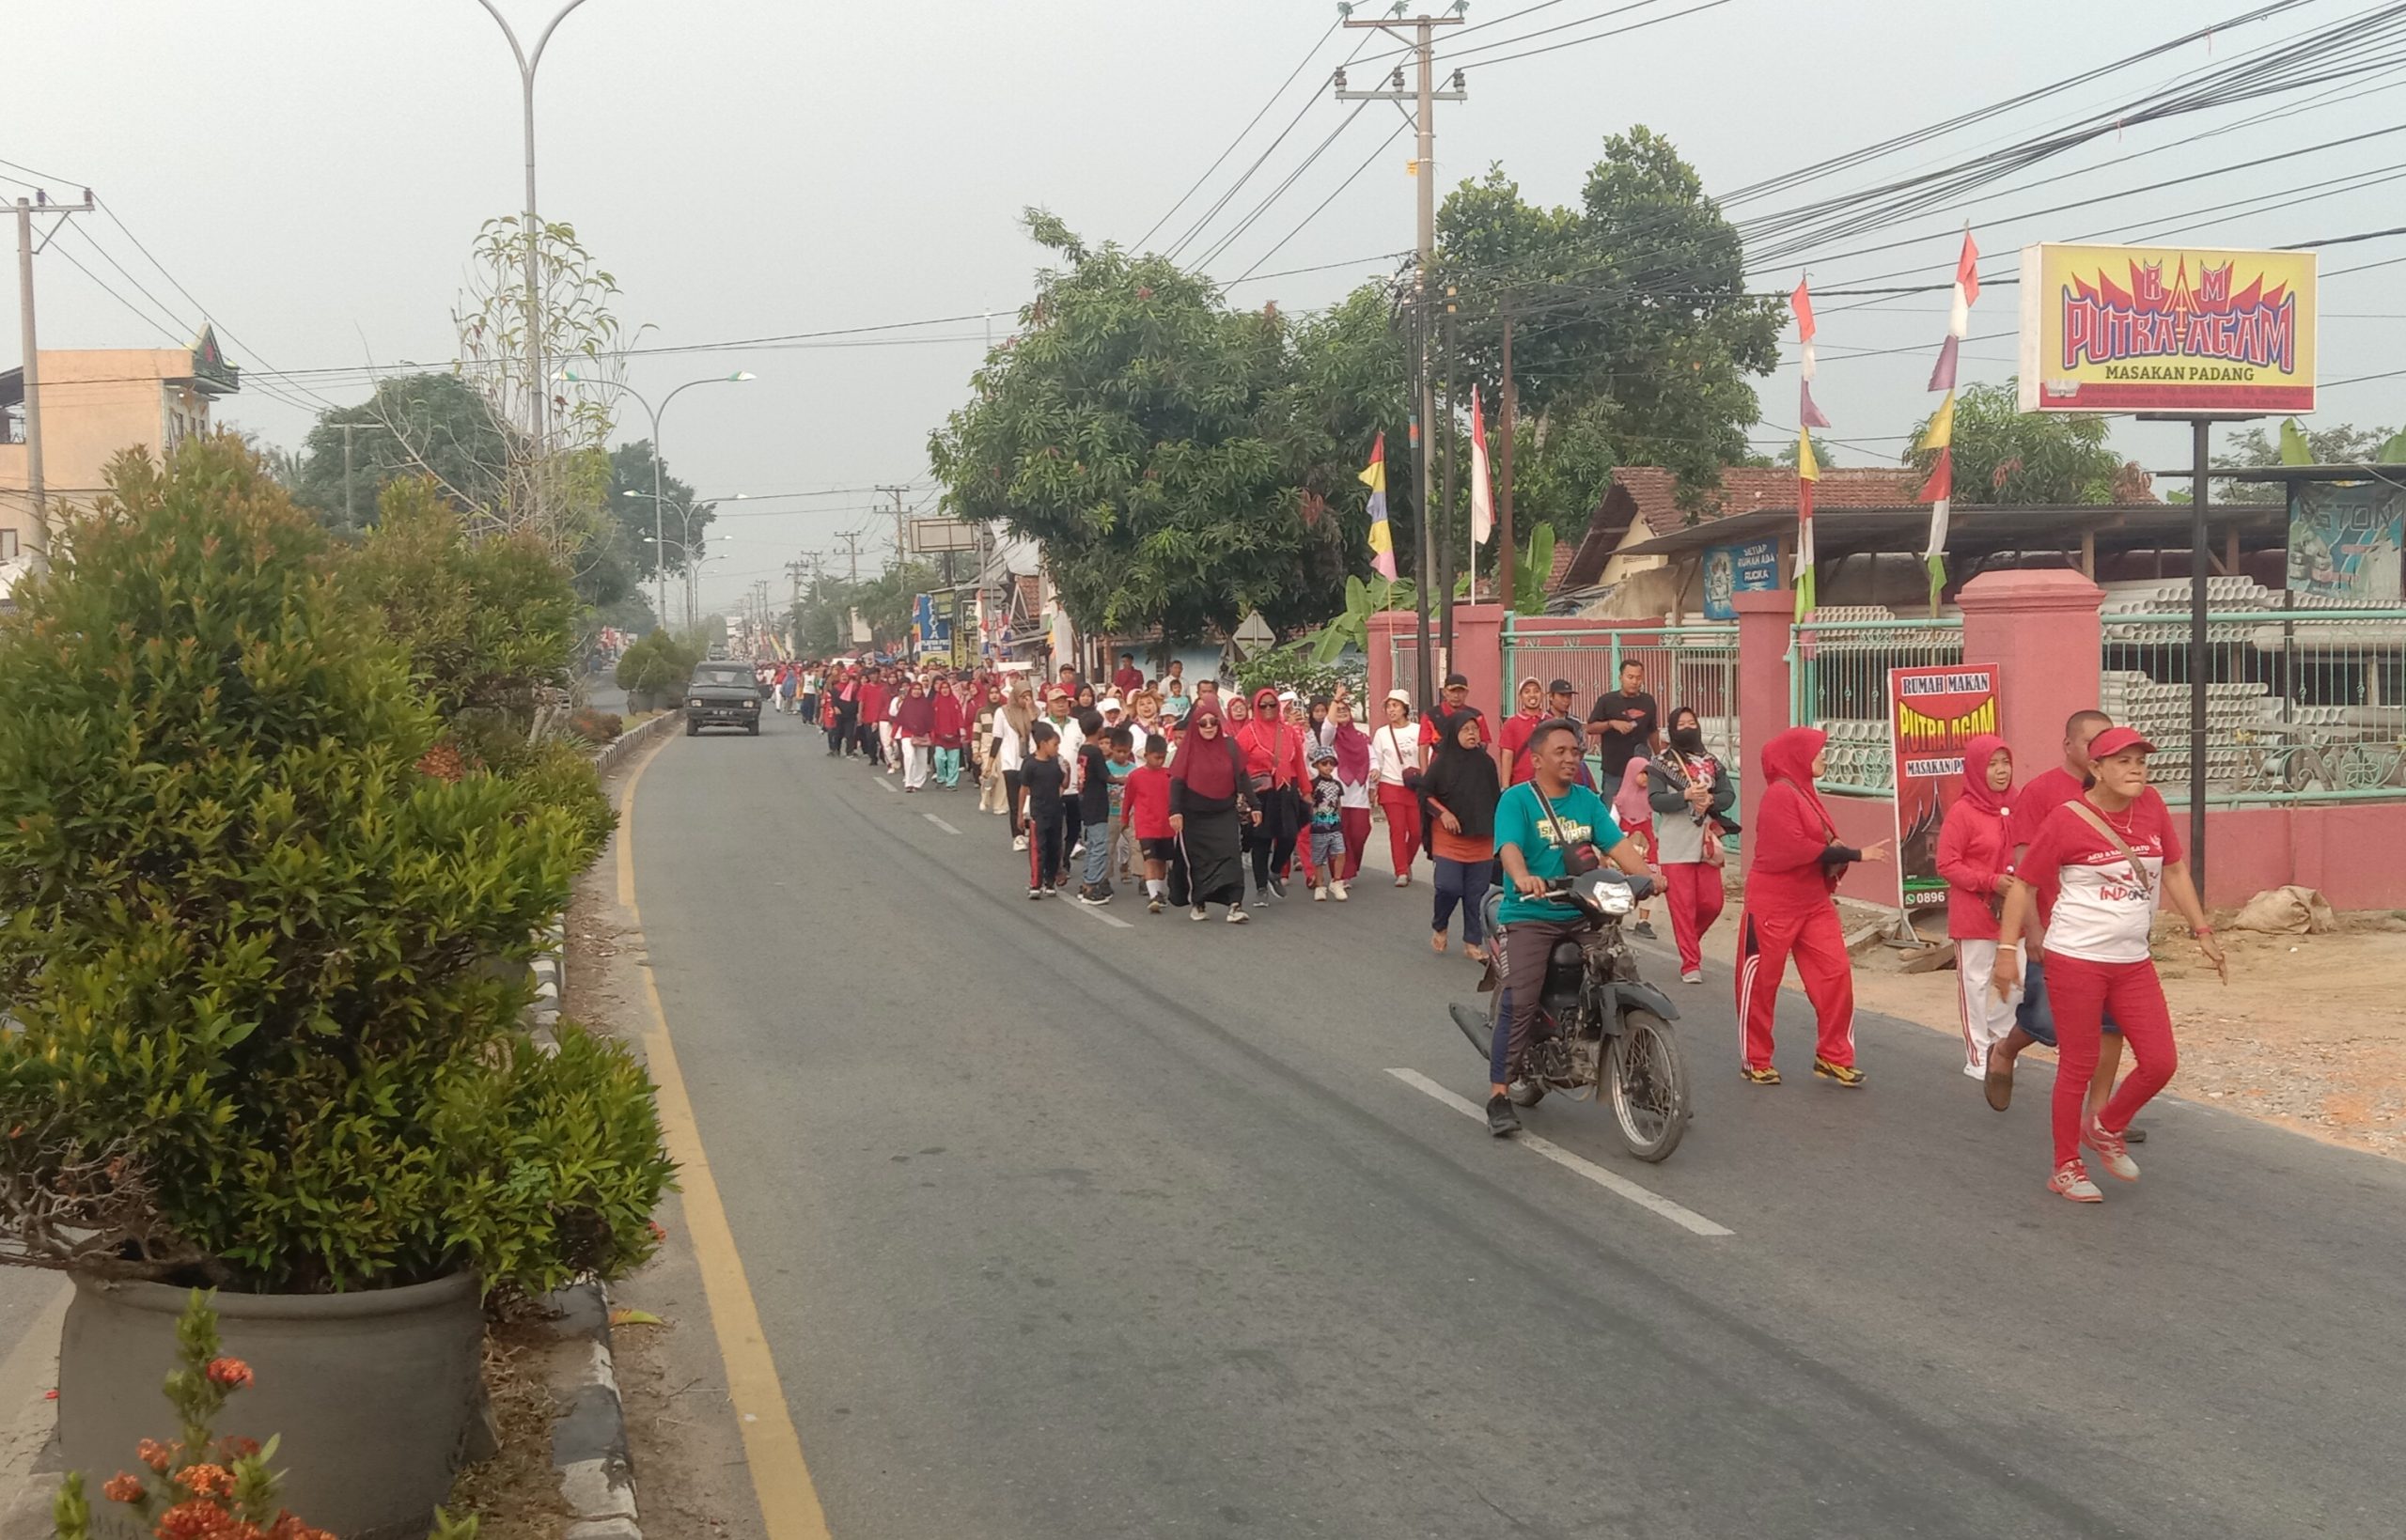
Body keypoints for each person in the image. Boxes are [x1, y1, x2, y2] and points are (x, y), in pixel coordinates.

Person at [1994, 727, 2224, 1203]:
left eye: (2141, 760)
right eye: (2123, 761)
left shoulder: (2152, 805)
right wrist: (2005, 953)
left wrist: (2202, 930)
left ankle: (2105, 1126)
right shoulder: (2066, 819)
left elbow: (2174, 870)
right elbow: (2025, 886)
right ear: (2096, 769)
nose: (2136, 769)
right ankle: (2066, 1167)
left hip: (2133, 961)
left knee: (2160, 1061)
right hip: (2076, 959)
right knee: (2078, 1065)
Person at [1486, 717, 1656, 1135]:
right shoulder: (1516, 800)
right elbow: (1509, 847)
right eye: (1560, 752)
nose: (1570, 758)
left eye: (1576, 752)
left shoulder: (1587, 800)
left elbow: (1617, 845)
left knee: (1625, 977)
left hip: (1583, 911)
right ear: (1536, 759)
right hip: (1530, 913)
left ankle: (1651, 1083)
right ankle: (1499, 1094)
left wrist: (1649, 876)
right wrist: (1523, 877)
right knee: (1520, 1000)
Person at [1983, 709, 2141, 1135]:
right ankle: (2006, 1049)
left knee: (2111, 1023)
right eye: (2091, 742)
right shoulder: (2042, 792)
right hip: (2058, 929)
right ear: (2069, 746)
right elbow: (2023, 868)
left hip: (2111, 934)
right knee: (2047, 1019)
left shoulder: (2125, 791)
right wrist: (2033, 928)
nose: (2101, 749)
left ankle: (2100, 1116)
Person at [1735, 726, 1886, 1086]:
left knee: (1835, 974)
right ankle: (1756, 1059)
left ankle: (1834, 1055)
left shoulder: (1805, 792)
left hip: (1813, 901)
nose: (1824, 756)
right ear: (1797, 756)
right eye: (1818, 751)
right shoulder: (1779, 795)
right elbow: (1794, 848)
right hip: (1773, 904)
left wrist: (1839, 848)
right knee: (1762, 984)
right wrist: (1856, 854)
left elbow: (1820, 841)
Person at [1938, 733, 2021, 1080]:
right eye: (1992, 764)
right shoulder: (1963, 812)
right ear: (1975, 769)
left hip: (2014, 912)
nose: (2001, 771)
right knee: (1976, 984)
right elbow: (1946, 864)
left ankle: (1999, 1040)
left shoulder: (2019, 803)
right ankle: (1977, 1054)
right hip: (1974, 911)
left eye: (2006, 762)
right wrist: (1989, 881)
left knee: (2020, 982)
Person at [1646, 706, 1735, 985]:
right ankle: (1690, 963)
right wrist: (1685, 795)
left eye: (1691, 723)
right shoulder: (1660, 763)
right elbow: (1656, 800)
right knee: (1683, 907)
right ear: (1672, 729)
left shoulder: (1712, 762)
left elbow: (1728, 794)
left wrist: (1711, 800)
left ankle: (1688, 942)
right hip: (1676, 844)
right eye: (1681, 725)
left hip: (1707, 843)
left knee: (1712, 903)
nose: (1687, 728)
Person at [1421, 711, 1500, 965]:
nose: (1471, 734)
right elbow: (1424, 793)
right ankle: (1440, 924)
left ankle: (1472, 943)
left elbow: (1495, 799)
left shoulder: (1487, 763)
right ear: (1454, 733)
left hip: (1481, 839)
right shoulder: (1442, 762)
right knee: (1449, 887)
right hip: (1449, 837)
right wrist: (1443, 813)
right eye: (1465, 729)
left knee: (1476, 894)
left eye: (1474, 729)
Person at [1168, 705, 1256, 923]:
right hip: (1194, 816)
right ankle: (1199, 902)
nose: (1209, 727)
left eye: (1213, 722)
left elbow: (1243, 777)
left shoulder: (1230, 747)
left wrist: (1255, 805)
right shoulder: (1187, 749)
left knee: (1231, 856)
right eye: (1203, 723)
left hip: (1224, 812)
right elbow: (1177, 782)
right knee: (1200, 862)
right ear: (1195, 726)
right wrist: (1175, 811)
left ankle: (1235, 905)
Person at [1237, 688, 1306, 904]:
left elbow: (1299, 763)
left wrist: (1307, 791)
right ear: (1256, 708)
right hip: (1261, 793)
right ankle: (1261, 889)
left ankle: (1275, 871)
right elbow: (1237, 765)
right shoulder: (1248, 733)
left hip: (1287, 789)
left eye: (1272, 704)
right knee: (1262, 840)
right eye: (1263, 705)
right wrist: (1239, 792)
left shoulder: (1288, 732)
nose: (1268, 708)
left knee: (1290, 835)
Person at [1371, 689, 1425, 885]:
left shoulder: (1418, 730)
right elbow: (1376, 760)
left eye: (1395, 705)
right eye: (1388, 706)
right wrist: (1373, 784)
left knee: (1417, 832)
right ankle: (1401, 870)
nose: (1391, 710)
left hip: (1414, 786)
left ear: (1405, 708)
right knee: (1397, 829)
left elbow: (1426, 756)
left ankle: (1406, 861)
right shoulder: (1382, 733)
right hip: (1390, 785)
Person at [1586, 657, 1660, 788]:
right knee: (1612, 801)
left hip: (1640, 770)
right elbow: (1590, 728)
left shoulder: (1648, 701)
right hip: (1614, 771)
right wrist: (1611, 724)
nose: (1634, 682)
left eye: (1638, 678)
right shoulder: (1607, 701)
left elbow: (1652, 731)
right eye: (1630, 677)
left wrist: (1659, 757)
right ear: (1621, 678)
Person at [1124, 734, 1175, 913]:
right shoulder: (1135, 776)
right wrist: (1124, 819)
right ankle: (1153, 894)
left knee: (1161, 861)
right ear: (1146, 755)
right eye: (1156, 757)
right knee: (1150, 859)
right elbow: (1128, 799)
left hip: (1166, 826)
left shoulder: (1169, 775)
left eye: (1163, 757)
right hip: (1146, 825)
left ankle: (1158, 892)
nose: (1160, 761)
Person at [1612, 755, 1660, 940]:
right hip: (1624, 849)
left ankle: (1643, 921)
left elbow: (1654, 822)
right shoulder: (1620, 801)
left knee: (1650, 880)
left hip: (1647, 848)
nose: (1646, 778)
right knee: (1620, 882)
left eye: (1648, 774)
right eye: (1642, 773)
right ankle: (1616, 916)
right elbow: (1611, 825)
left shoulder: (1651, 798)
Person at [1328, 698, 1374, 884]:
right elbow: (1327, 728)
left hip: (1359, 795)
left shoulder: (1362, 737)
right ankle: (1341, 875)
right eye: (1337, 710)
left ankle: (1351, 866)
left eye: (1344, 709)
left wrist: (1374, 774)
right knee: (1338, 836)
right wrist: (1335, 700)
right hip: (1337, 796)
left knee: (1360, 834)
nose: (1341, 712)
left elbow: (1373, 758)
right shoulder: (1330, 737)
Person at [1021, 723, 1069, 898]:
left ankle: (1050, 882)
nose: (1057, 749)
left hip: (1055, 811)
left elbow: (1063, 784)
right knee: (1038, 848)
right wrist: (1020, 814)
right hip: (1038, 812)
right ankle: (1036, 883)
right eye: (1055, 745)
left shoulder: (1055, 763)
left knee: (1054, 847)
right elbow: (1023, 789)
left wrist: (1067, 771)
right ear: (1043, 744)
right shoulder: (1030, 764)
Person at [1074, 723, 1117, 905]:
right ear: (1098, 729)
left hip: (1086, 798)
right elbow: (1106, 776)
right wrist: (1123, 779)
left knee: (1092, 843)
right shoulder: (1095, 752)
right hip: (1097, 801)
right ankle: (1092, 885)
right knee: (1099, 845)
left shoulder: (1083, 749)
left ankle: (1086, 882)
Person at [1305, 743, 1349, 901]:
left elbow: (1338, 803)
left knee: (1340, 852)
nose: (1329, 766)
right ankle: (1320, 885)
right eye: (1324, 763)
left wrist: (1339, 819)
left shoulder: (1337, 785)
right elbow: (1308, 803)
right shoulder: (1313, 784)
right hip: (1318, 825)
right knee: (1319, 858)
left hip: (1335, 824)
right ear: (1317, 765)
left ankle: (1337, 881)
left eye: (1332, 763)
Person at [997, 686, 1036, 850]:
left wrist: (1031, 711)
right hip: (1011, 762)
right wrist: (990, 763)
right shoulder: (1002, 712)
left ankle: (1029, 831)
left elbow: (1039, 734)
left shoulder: (1036, 712)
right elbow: (997, 738)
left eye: (1028, 696)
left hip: (1032, 762)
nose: (1025, 700)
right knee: (1015, 800)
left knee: (1031, 800)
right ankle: (1018, 835)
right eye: (1022, 696)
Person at [1495, 676, 1548, 786]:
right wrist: (1505, 787)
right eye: (1527, 692)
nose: (1532, 695)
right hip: (1520, 784)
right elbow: (1507, 757)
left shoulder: (1551, 721)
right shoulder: (1511, 724)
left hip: (1548, 782)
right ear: (1520, 697)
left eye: (1536, 691)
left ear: (1542, 695)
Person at [1421, 674, 1486, 751]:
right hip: (1441, 757)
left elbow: (1483, 743)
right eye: (1452, 691)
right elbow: (1424, 746)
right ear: (1444, 692)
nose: (1456, 696)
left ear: (1466, 693)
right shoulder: (1430, 716)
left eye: (1460, 691)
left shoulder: (1477, 716)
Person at [895, 677, 936, 791]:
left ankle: (918, 782)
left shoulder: (926, 704)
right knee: (910, 756)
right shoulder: (906, 703)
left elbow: (931, 721)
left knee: (922, 759)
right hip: (907, 734)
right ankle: (909, 782)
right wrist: (892, 736)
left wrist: (932, 736)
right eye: (914, 689)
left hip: (922, 735)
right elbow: (899, 720)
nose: (917, 691)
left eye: (919, 689)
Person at [931, 677, 969, 789]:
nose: (945, 690)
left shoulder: (954, 702)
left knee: (953, 761)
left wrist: (962, 732)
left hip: (954, 736)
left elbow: (959, 717)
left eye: (947, 688)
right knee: (939, 758)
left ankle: (951, 783)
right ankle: (941, 777)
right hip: (939, 736)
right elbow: (932, 719)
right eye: (942, 688)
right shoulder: (936, 703)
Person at [975, 682, 1006, 815]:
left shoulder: (1004, 711)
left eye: (996, 693)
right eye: (991, 693)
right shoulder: (981, 712)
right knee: (990, 774)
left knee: (1002, 778)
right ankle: (985, 798)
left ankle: (999, 806)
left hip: (1002, 748)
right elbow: (976, 732)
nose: (994, 695)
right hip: (986, 748)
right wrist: (975, 750)